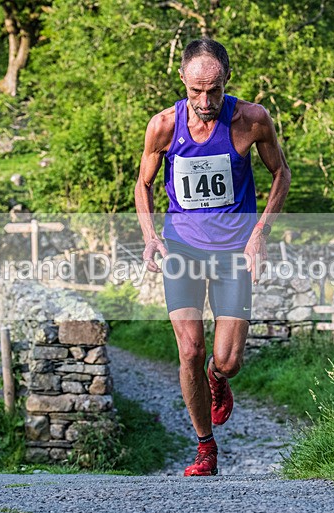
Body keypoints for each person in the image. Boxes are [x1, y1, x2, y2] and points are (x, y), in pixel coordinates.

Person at [134, 38, 291, 476]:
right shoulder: (163, 126)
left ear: (227, 80)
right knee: (189, 349)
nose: (205, 102)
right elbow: (142, 184)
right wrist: (149, 235)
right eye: (196, 91)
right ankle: (205, 448)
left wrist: (260, 233)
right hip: (182, 247)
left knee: (227, 360)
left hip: (233, 253)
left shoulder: (252, 120)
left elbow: (281, 173)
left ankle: (217, 379)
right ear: (182, 79)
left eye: (215, 90)